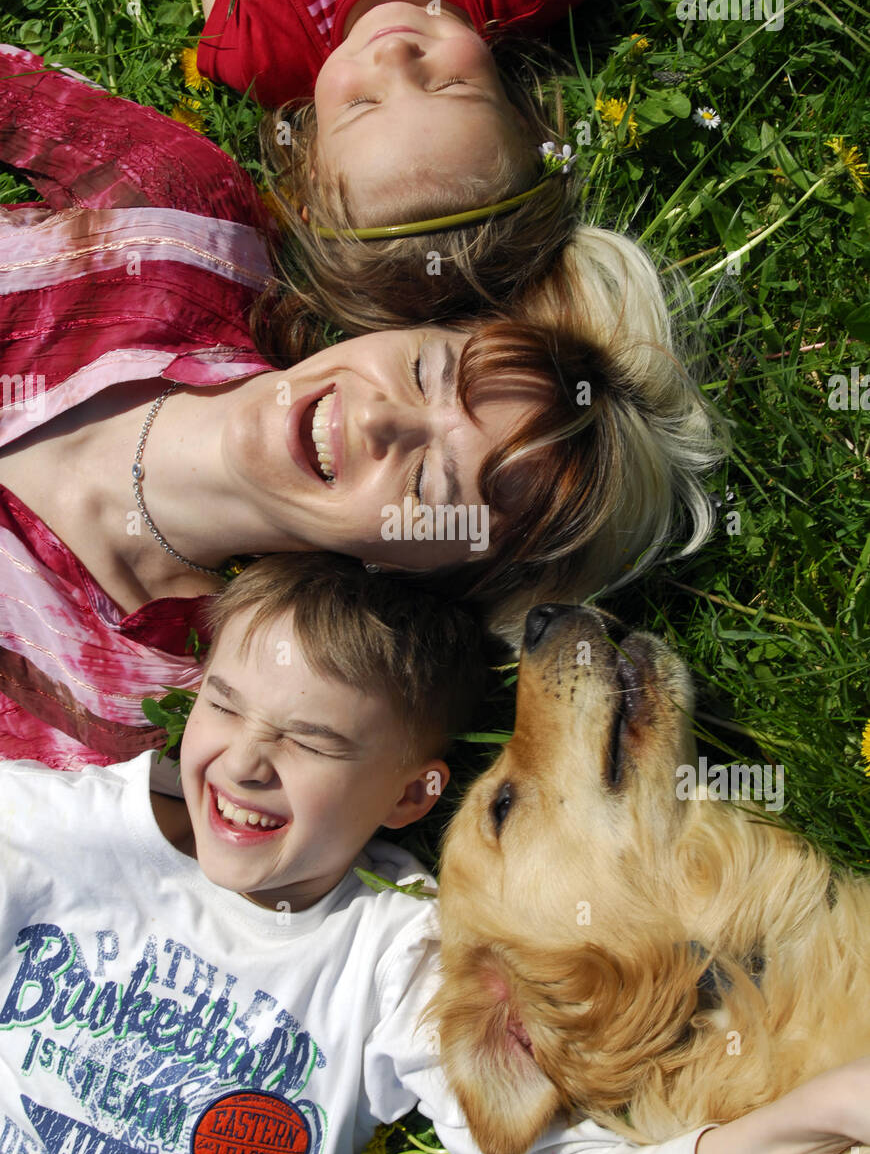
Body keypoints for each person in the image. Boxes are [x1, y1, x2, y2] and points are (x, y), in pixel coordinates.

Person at [1, 552, 866, 1154]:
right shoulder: (42, 828)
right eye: (224, 705)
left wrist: (821, 1120)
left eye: (310, 741)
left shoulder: (397, 958)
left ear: (412, 797)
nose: (244, 763)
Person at [0, 46, 721, 771]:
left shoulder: (124, 710)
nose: (378, 420)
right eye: (425, 371)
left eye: (430, 482)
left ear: (404, 572)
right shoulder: (182, 225)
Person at [174, 0, 619, 328]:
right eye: (451, 84)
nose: (394, 56)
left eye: (363, 102)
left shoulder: (254, 46)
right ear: (521, 121)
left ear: (310, 167)